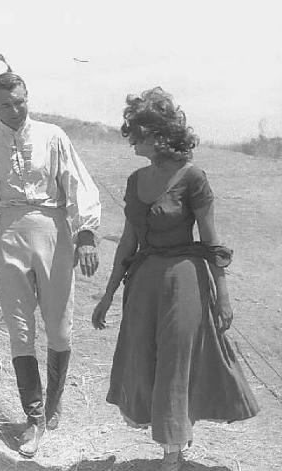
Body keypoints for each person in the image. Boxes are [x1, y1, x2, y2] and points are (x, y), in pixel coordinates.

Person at [91, 87, 259, 471]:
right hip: (145, 284)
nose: (132, 140)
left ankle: (171, 454)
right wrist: (107, 295)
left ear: (162, 135)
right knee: (148, 360)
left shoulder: (193, 177)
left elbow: (212, 241)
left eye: (139, 133)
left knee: (176, 360)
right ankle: (175, 439)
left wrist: (224, 295)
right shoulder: (135, 181)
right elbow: (128, 243)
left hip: (185, 282)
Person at [0, 72, 101, 458]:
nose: (15, 110)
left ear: (27, 97)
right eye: (6, 104)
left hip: (53, 234)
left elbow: (77, 184)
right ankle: (33, 418)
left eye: (20, 101)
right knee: (20, 330)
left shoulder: (53, 137)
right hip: (10, 236)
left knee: (60, 328)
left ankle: (54, 401)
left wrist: (85, 234)